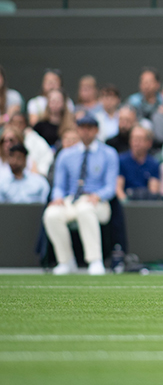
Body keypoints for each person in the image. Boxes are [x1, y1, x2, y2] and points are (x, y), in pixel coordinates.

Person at [43, 114, 119, 275]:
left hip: (98, 202)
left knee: (85, 209)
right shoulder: (65, 155)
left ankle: (95, 260)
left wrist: (98, 196)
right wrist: (57, 197)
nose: (86, 132)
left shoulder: (109, 154)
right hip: (71, 200)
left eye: (90, 128)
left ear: (96, 130)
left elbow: (110, 187)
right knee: (51, 214)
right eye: (82, 128)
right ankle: (66, 262)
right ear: (77, 129)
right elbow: (58, 185)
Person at [116, 125, 160, 201]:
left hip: (145, 203)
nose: (136, 142)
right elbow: (118, 188)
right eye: (134, 139)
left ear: (149, 143)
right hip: (127, 201)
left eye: (140, 139)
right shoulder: (121, 160)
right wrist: (126, 204)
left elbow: (154, 190)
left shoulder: (153, 163)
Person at [6, 112, 54, 177]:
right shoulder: (5, 140)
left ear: (25, 124)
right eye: (14, 123)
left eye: (20, 123)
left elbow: (47, 158)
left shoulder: (35, 140)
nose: (17, 126)